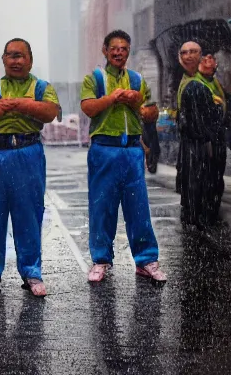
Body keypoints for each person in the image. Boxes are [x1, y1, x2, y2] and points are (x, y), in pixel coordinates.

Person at [0, 38, 59, 297]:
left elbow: (50, 112)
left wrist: (20, 104)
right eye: (10, 55)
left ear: (30, 60)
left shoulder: (41, 87)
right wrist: (0, 107)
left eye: (21, 56)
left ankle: (32, 272)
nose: (16, 60)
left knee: (29, 214)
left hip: (27, 153)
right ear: (3, 60)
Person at [80, 30, 166, 284]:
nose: (119, 53)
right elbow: (88, 107)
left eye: (124, 49)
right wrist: (114, 97)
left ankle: (146, 260)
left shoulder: (138, 80)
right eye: (114, 48)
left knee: (138, 207)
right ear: (105, 50)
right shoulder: (94, 78)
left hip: (131, 150)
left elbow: (151, 113)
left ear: (128, 52)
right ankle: (100, 260)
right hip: (104, 148)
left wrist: (137, 102)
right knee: (102, 207)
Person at [176, 41, 220, 229]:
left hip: (201, 142)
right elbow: (192, 118)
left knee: (198, 182)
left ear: (200, 55)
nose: (188, 56)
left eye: (193, 52)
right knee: (195, 182)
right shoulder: (191, 84)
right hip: (196, 143)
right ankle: (196, 219)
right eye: (184, 52)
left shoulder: (203, 82)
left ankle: (196, 217)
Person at [196, 52, 227, 215]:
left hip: (218, 133)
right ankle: (207, 205)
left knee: (218, 170)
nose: (209, 62)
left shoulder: (215, 82)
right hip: (206, 134)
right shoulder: (197, 82)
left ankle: (214, 202)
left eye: (211, 59)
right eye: (204, 59)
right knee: (207, 170)